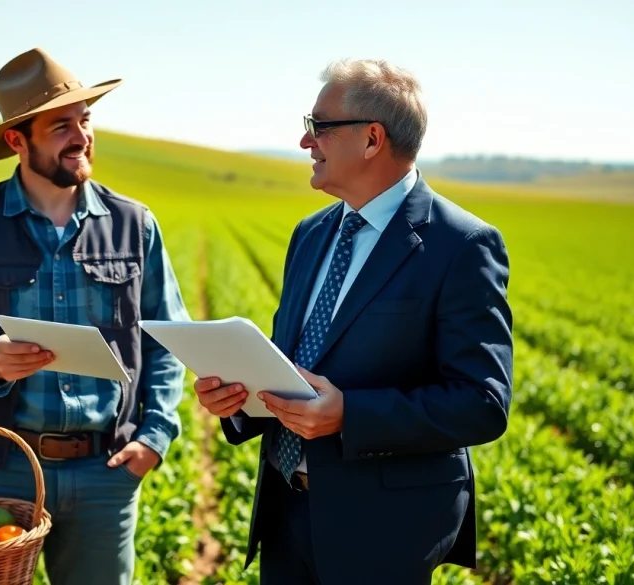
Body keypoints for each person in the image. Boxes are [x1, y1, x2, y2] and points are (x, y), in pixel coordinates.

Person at [193, 58, 513, 584]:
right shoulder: (311, 233)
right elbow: (293, 360)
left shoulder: (463, 245)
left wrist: (350, 414)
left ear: (371, 139)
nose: (305, 142)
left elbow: (482, 404)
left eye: (319, 126)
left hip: (386, 530)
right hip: (284, 513)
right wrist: (240, 402)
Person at [0, 47, 189, 585]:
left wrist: (154, 438)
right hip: (0, 468)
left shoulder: (136, 226)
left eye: (86, 120)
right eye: (61, 125)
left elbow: (167, 341)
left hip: (105, 470)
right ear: (18, 140)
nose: (81, 136)